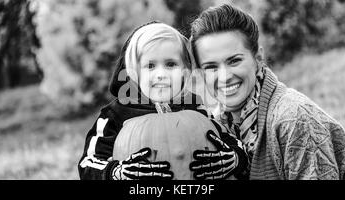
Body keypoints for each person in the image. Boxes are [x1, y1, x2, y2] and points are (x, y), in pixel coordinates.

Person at [188, 4, 345, 180]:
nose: (224, 77)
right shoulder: (216, 124)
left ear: (258, 59)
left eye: (234, 61)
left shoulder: (294, 119)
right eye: (211, 67)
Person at [77, 22, 240, 180]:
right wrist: (115, 172)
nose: (161, 74)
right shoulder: (116, 113)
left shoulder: (195, 106)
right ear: (134, 72)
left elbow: (230, 141)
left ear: (185, 70)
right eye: (150, 66)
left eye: (170, 64)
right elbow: (87, 164)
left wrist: (234, 159)